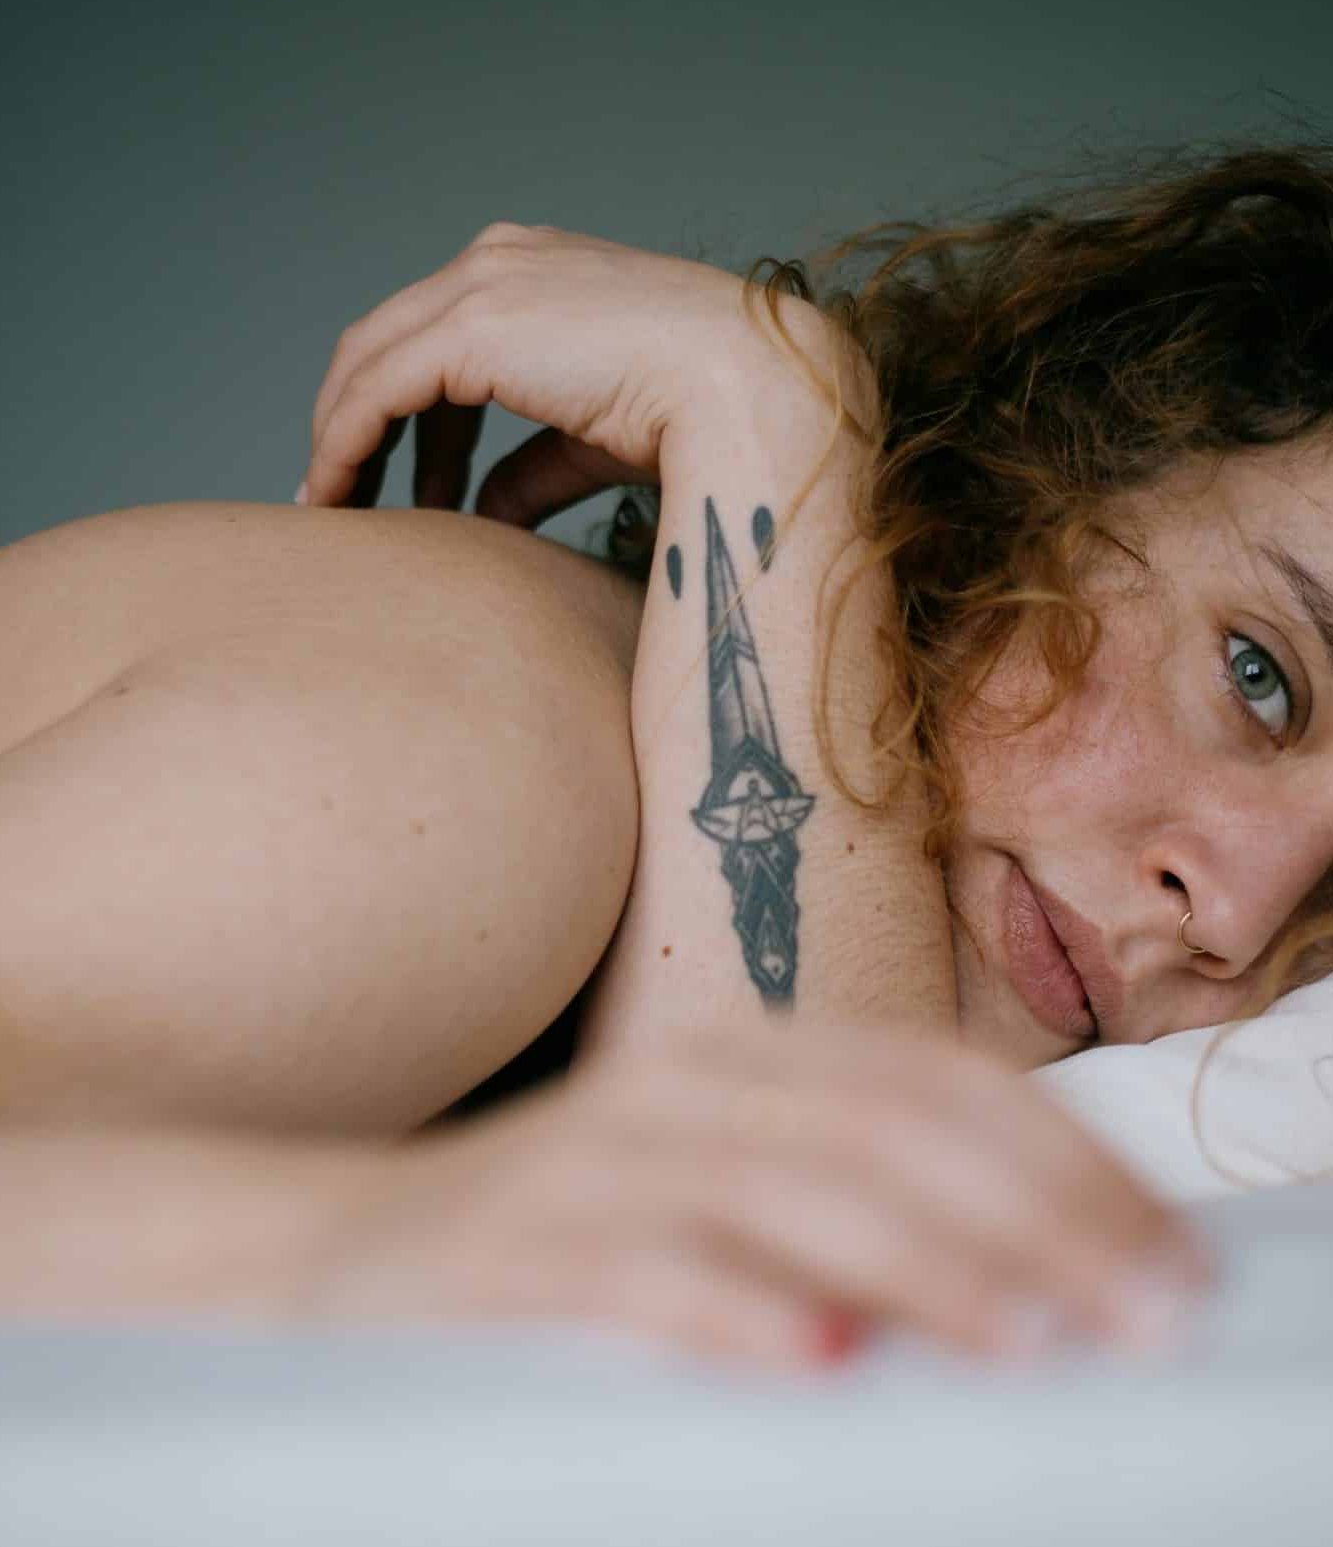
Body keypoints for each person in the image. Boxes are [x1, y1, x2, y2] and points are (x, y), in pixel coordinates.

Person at [2, 138, 1331, 1369]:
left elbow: (770, 1249)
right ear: (1055, 472)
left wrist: (768, 420)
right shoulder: (500, 734)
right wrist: (348, 1241)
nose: (1235, 915)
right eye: (1258, 674)